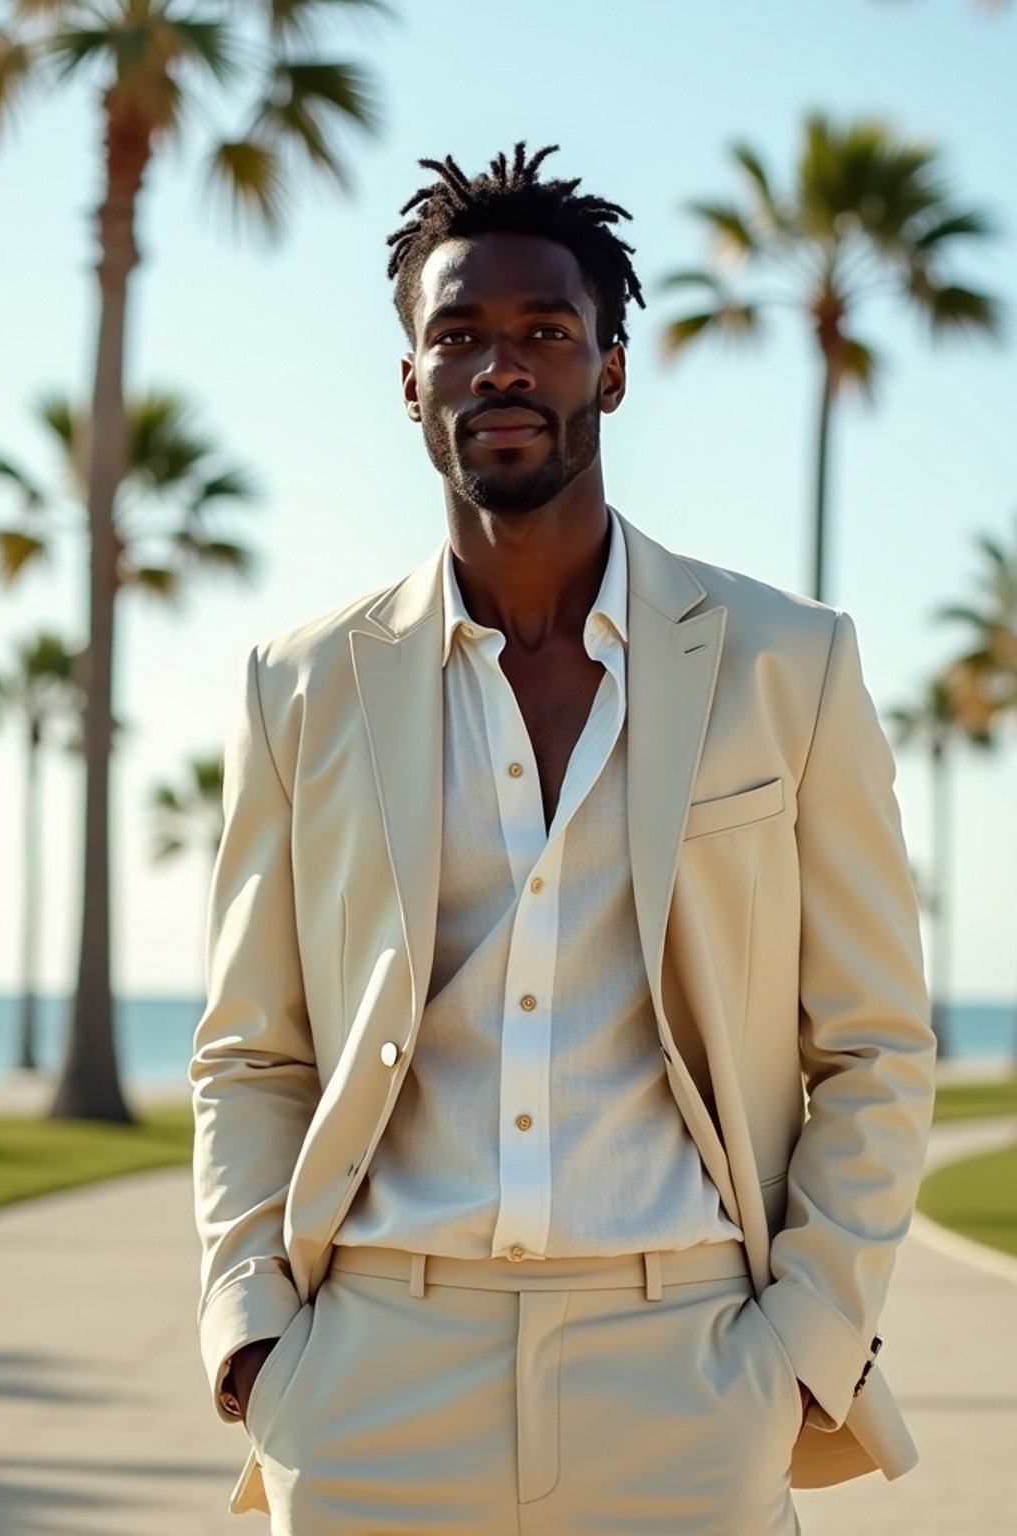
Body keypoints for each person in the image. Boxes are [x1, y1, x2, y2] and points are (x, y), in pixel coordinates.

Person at [190, 142, 936, 1536]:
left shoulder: (790, 665)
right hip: (370, 1379)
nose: (503, 366)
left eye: (546, 330)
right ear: (411, 379)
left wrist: (800, 1347)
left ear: (613, 367)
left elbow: (876, 1040)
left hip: (690, 1370)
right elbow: (253, 1045)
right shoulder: (299, 686)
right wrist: (254, 1336)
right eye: (459, 335)